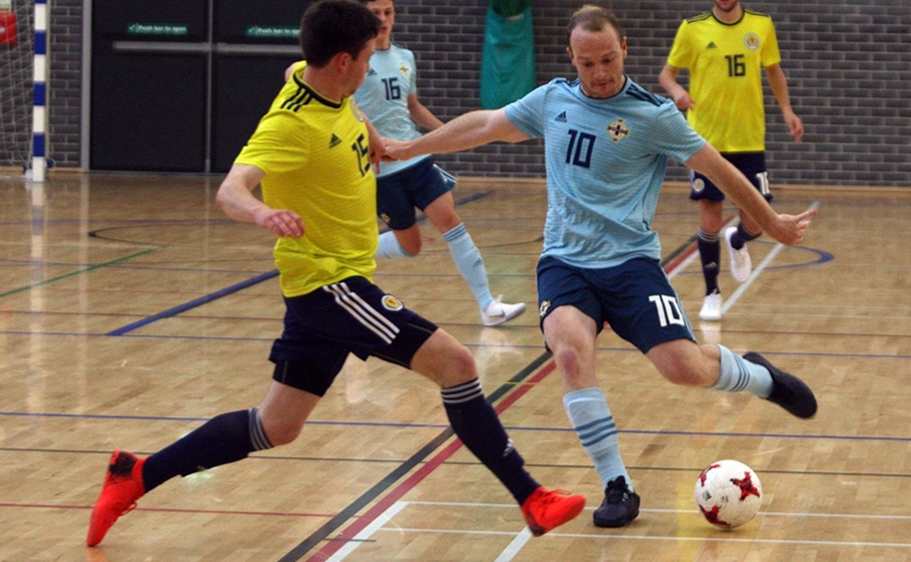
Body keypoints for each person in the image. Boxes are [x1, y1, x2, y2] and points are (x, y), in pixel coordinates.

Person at [85, 1, 584, 548]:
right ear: (344, 61)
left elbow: (305, 80)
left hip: (320, 290)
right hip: (330, 284)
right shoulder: (289, 124)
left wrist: (371, 135)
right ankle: (530, 497)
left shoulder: (321, 81)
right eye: (367, 59)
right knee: (458, 363)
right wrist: (261, 212)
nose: (372, 69)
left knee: (276, 426)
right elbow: (231, 189)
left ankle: (135, 473)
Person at [383, 4, 817, 529]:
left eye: (608, 59)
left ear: (625, 49)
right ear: (572, 58)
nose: (600, 72)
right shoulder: (553, 100)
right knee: (569, 352)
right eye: (587, 63)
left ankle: (759, 376)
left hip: (631, 263)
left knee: (683, 369)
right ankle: (617, 484)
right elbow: (487, 125)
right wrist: (410, 146)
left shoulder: (654, 116)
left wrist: (769, 222)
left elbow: (720, 169)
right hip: (565, 261)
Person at [354, 0, 526, 327]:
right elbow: (347, 109)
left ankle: (488, 306)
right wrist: (372, 141)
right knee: (411, 246)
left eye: (388, 12)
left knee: (450, 219)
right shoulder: (354, 62)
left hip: (415, 157)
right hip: (381, 170)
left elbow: (412, 105)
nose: (383, 19)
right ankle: (356, 250)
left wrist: (444, 134)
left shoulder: (405, 57)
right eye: (375, 13)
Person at [659, 0, 804, 321]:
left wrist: (787, 110)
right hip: (705, 143)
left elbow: (774, 71)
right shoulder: (692, 28)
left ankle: (737, 239)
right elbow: (666, 74)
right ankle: (712, 292)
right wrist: (677, 92)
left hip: (748, 139)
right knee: (710, 217)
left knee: (758, 219)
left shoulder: (761, 25)